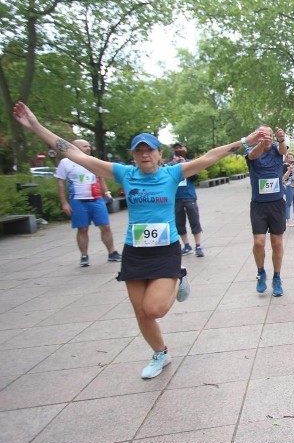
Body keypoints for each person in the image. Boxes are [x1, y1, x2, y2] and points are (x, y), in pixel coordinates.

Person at [14, 101, 260, 379]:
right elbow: (73, 153)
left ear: (159, 154)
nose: (144, 155)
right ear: (133, 156)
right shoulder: (124, 173)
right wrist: (35, 126)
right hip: (135, 250)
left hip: (166, 250)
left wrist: (244, 141)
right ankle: (160, 353)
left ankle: (178, 277)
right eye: (139, 151)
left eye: (149, 150)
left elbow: (209, 157)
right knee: (142, 312)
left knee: (154, 308)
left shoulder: (172, 173)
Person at [54, 139, 121, 267]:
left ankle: (112, 253)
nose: (88, 148)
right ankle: (84, 256)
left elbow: (100, 177)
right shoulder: (65, 162)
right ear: (76, 147)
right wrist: (64, 203)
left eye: (89, 146)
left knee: (105, 227)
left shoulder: (92, 160)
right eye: (85, 146)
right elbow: (60, 183)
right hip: (78, 201)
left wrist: (107, 193)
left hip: (96, 199)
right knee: (82, 229)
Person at [247, 126, 288, 297]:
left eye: (269, 135)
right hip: (259, 205)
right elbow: (253, 155)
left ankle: (277, 277)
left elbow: (283, 149)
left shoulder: (276, 150)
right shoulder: (251, 150)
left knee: (277, 243)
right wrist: (260, 145)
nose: (266, 138)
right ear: (257, 137)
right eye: (262, 135)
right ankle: (261, 272)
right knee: (259, 242)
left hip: (277, 204)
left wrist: (281, 139)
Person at [169, 142, 204, 257]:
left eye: (180, 148)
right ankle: (186, 245)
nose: (178, 150)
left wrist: (185, 165)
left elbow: (195, 178)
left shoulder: (189, 163)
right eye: (176, 148)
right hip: (176, 197)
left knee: (194, 221)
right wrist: (173, 166)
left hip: (189, 196)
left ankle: (198, 245)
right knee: (179, 223)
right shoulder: (169, 165)